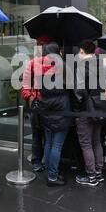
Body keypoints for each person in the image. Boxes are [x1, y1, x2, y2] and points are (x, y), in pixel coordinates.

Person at [36, 43, 72, 187]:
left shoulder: (40, 66)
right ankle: (52, 176)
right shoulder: (63, 67)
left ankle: (51, 173)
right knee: (57, 145)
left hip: (46, 108)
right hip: (61, 109)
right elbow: (72, 86)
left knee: (49, 142)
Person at [72, 40, 106, 186]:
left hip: (85, 110)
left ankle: (91, 176)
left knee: (86, 144)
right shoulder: (101, 65)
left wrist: (77, 109)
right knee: (96, 141)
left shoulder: (81, 67)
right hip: (99, 108)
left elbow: (78, 93)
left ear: (81, 51)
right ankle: (98, 173)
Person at [21, 35, 53, 173]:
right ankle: (45, 161)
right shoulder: (55, 63)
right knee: (46, 134)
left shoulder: (33, 63)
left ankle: (37, 161)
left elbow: (25, 85)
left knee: (37, 134)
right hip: (49, 104)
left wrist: (30, 96)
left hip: (37, 102)